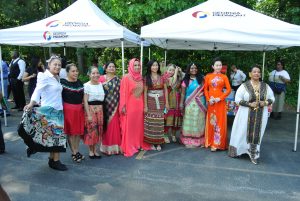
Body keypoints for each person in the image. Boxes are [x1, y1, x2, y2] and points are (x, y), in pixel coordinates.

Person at [22, 55, 67, 171]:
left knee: (53, 137)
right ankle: (55, 161)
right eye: (55, 64)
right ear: (49, 65)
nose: (57, 66)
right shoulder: (44, 76)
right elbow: (37, 90)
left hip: (58, 111)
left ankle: (52, 160)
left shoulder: (57, 77)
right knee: (57, 136)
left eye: (59, 65)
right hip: (49, 112)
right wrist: (31, 103)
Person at [229, 65, 275, 164]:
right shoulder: (244, 86)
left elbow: (272, 98)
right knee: (242, 131)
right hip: (245, 113)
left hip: (261, 114)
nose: (256, 73)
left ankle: (253, 154)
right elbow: (237, 99)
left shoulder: (265, 86)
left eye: (258, 72)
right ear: (250, 74)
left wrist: (265, 103)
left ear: (260, 74)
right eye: (254, 71)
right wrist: (249, 104)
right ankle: (239, 151)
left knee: (256, 134)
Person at [119, 58, 150, 157]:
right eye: (135, 65)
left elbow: (143, 93)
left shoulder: (141, 78)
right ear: (131, 66)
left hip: (139, 106)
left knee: (138, 127)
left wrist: (145, 106)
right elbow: (123, 92)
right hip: (130, 105)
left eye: (138, 65)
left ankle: (137, 144)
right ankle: (129, 146)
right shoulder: (126, 77)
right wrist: (123, 106)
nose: (137, 67)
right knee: (130, 127)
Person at [204, 57, 231, 151]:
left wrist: (220, 98)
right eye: (217, 65)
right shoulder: (208, 76)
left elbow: (228, 89)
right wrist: (208, 99)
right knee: (212, 121)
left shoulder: (224, 77)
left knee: (220, 122)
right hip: (211, 102)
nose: (219, 67)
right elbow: (205, 89)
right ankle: (210, 141)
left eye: (220, 65)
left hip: (220, 102)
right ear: (213, 66)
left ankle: (217, 144)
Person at [61, 64, 85, 163]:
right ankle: (74, 152)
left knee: (78, 132)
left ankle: (77, 150)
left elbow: (83, 97)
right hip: (68, 109)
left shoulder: (79, 82)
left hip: (79, 109)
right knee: (71, 132)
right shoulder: (62, 82)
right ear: (68, 72)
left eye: (76, 71)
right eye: (73, 71)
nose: (75, 73)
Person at [144, 60, 169, 151]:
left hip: (161, 102)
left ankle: (158, 142)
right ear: (150, 67)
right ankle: (151, 143)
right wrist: (145, 106)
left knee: (159, 122)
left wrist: (167, 103)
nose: (155, 67)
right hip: (150, 102)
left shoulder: (162, 77)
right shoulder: (147, 78)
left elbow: (165, 90)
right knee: (151, 122)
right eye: (153, 65)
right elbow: (145, 91)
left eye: (156, 65)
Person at [179, 63, 206, 148]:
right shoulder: (185, 80)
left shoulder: (202, 79)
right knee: (189, 121)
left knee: (198, 121)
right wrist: (181, 103)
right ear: (188, 69)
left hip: (200, 103)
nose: (193, 69)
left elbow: (206, 90)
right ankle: (188, 140)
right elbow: (183, 94)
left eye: (195, 68)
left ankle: (199, 140)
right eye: (191, 68)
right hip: (189, 104)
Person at [99, 62, 122, 155]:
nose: (112, 68)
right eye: (110, 66)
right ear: (106, 68)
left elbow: (121, 93)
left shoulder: (118, 80)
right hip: (104, 106)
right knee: (106, 127)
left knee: (114, 127)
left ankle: (116, 148)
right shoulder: (101, 78)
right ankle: (106, 148)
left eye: (113, 66)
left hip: (115, 106)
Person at [83, 66, 105, 159]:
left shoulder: (101, 84)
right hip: (90, 109)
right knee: (91, 130)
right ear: (89, 74)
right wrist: (88, 114)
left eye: (97, 73)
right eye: (93, 73)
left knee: (98, 130)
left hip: (100, 109)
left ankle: (95, 150)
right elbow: (85, 101)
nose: (96, 75)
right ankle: (90, 150)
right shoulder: (87, 85)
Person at [164, 64, 183, 143]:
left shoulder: (178, 78)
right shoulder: (165, 78)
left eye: (173, 70)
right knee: (168, 118)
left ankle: (173, 134)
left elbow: (184, 78)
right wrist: (176, 72)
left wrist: (180, 72)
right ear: (166, 71)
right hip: (169, 99)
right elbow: (172, 82)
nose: (171, 72)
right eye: (170, 70)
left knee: (176, 118)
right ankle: (165, 135)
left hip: (177, 100)